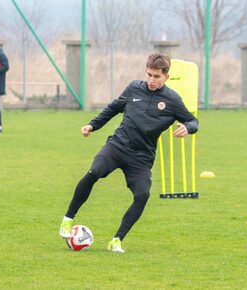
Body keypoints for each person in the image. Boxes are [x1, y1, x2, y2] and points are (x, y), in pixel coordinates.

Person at [59, 54, 199, 252]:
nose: (151, 80)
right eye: (149, 74)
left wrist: (188, 128)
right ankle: (67, 220)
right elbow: (113, 108)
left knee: (142, 195)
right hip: (117, 146)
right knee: (93, 173)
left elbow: (193, 121)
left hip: (141, 158)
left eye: (156, 76)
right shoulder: (134, 88)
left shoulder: (172, 100)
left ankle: (116, 240)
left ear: (166, 77)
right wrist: (92, 125)